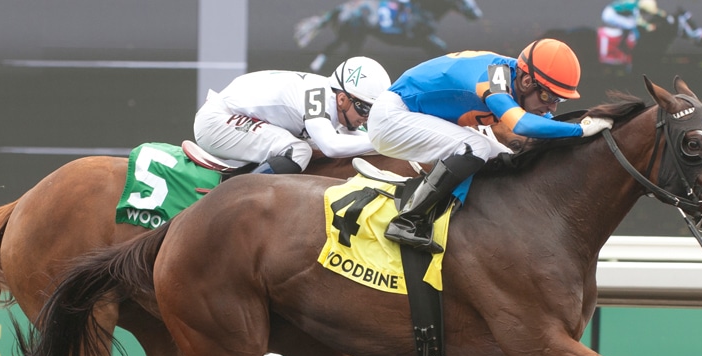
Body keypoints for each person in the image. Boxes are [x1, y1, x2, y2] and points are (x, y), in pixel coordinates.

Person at [366, 39, 614, 252]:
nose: (552, 107)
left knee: (504, 156)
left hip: (415, 115)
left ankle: (455, 215)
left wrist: (583, 131)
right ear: (527, 81)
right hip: (392, 117)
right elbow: (522, 125)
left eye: (559, 99)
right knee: (475, 147)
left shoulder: (514, 77)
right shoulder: (494, 77)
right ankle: (407, 221)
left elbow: (548, 124)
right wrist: (580, 130)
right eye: (548, 96)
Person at [192, 56, 392, 175]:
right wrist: (383, 141)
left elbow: (363, 139)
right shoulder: (318, 95)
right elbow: (332, 146)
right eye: (365, 109)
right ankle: (239, 199)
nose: (367, 118)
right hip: (217, 120)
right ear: (342, 99)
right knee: (298, 151)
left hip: (241, 116)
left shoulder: (334, 99)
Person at [602, 0, 666, 40]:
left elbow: (652, 10)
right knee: (631, 25)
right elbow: (638, 21)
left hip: (614, 12)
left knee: (631, 23)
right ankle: (625, 44)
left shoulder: (638, 2)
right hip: (610, 14)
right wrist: (647, 26)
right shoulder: (635, 7)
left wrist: (661, 13)